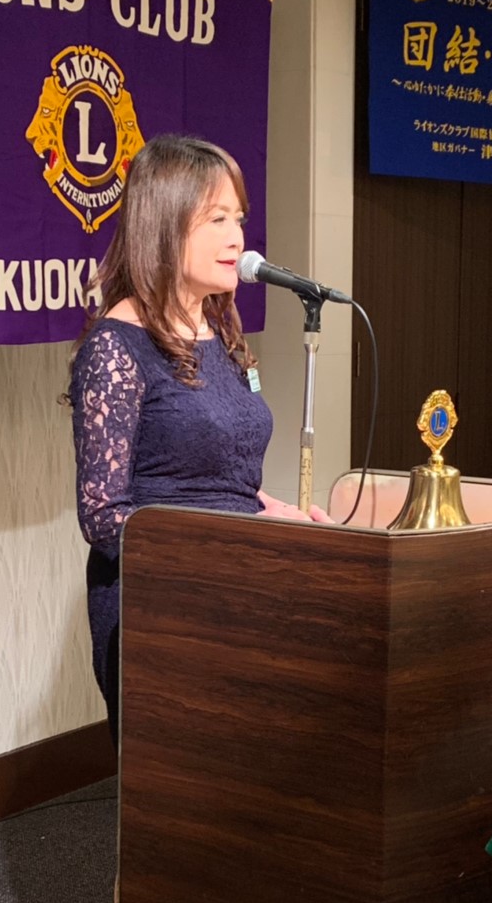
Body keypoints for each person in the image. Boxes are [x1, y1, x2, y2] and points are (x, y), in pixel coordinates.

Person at [68, 133, 330, 746]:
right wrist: (235, 537)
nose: (239, 239)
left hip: (239, 582)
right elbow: (103, 518)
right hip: (162, 603)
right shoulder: (115, 348)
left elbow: (220, 476)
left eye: (239, 218)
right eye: (217, 219)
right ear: (164, 224)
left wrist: (274, 514)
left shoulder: (218, 328)